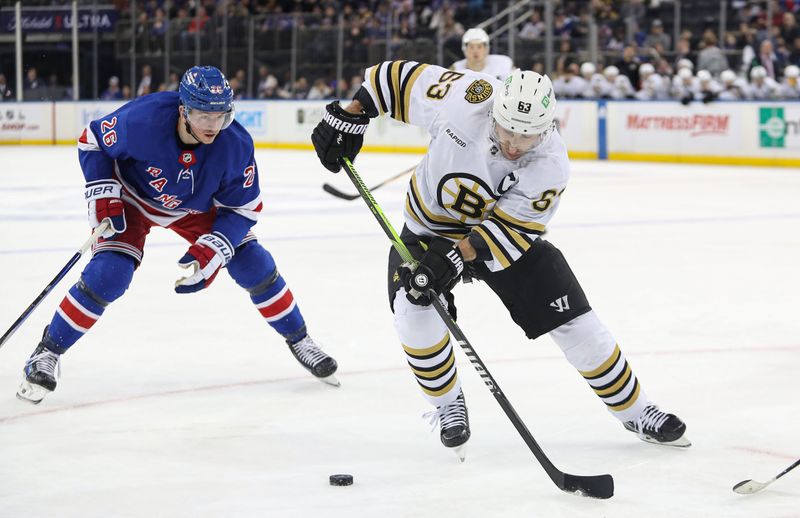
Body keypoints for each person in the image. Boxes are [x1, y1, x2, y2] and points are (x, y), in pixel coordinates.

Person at [311, 61, 690, 458]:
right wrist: (350, 116)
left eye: (527, 137)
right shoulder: (467, 95)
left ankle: (637, 409)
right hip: (428, 228)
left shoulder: (550, 165)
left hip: (495, 239)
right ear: (494, 110)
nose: (513, 144)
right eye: (508, 130)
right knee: (412, 307)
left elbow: (509, 232)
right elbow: (393, 80)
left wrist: (456, 258)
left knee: (575, 319)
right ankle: (447, 406)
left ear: (545, 128)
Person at [17, 65, 339, 404]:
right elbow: (93, 141)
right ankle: (47, 352)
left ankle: (300, 339)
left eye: (221, 115)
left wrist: (217, 246)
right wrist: (102, 193)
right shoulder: (144, 119)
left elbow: (242, 209)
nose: (213, 126)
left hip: (193, 210)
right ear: (183, 110)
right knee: (110, 274)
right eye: (203, 115)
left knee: (252, 263)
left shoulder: (235, 144)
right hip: (132, 200)